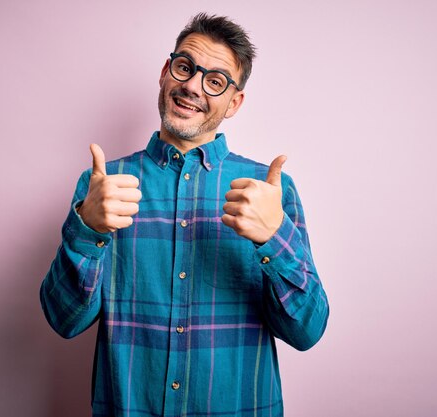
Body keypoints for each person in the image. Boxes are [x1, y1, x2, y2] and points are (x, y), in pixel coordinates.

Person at [40, 12, 329, 417]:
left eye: (215, 81)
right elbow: (63, 320)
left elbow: (307, 331)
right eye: (185, 67)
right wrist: (87, 229)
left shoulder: (269, 192)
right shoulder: (104, 186)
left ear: (234, 102)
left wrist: (274, 239)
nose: (192, 86)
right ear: (165, 71)